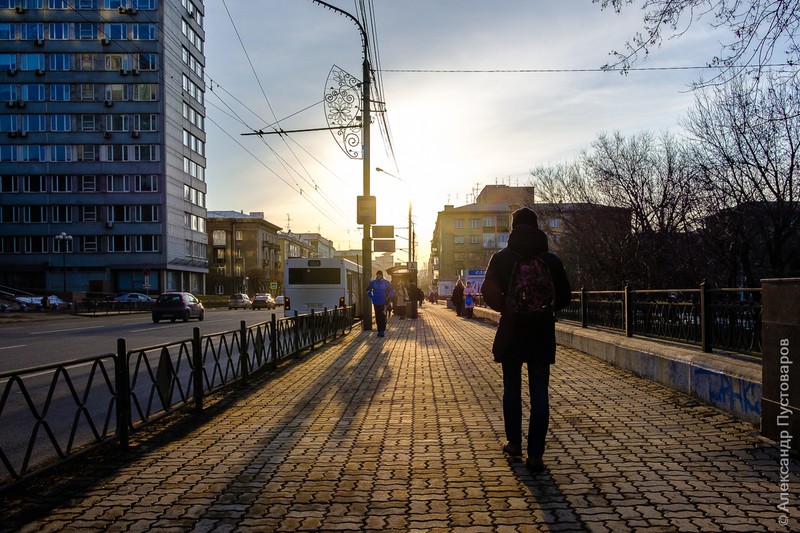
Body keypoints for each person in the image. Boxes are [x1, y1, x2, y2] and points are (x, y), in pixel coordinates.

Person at [482, 207, 571, 473]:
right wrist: (544, 307)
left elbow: (488, 290)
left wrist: (507, 308)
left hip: (512, 331)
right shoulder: (551, 260)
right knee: (540, 394)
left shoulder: (502, 258)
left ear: (513, 228)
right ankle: (536, 456)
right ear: (536, 227)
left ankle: (514, 444)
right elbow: (565, 296)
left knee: (512, 390)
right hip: (541, 332)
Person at [366, 270, 395, 337]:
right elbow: (368, 290)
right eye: (377, 275)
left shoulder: (385, 283)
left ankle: (382, 331)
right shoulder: (373, 283)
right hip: (376, 302)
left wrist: (388, 297)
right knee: (377, 317)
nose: (378, 276)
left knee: (383, 317)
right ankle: (379, 331)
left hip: (383, 302)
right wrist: (372, 297)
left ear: (382, 275)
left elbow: (392, 290)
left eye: (379, 275)